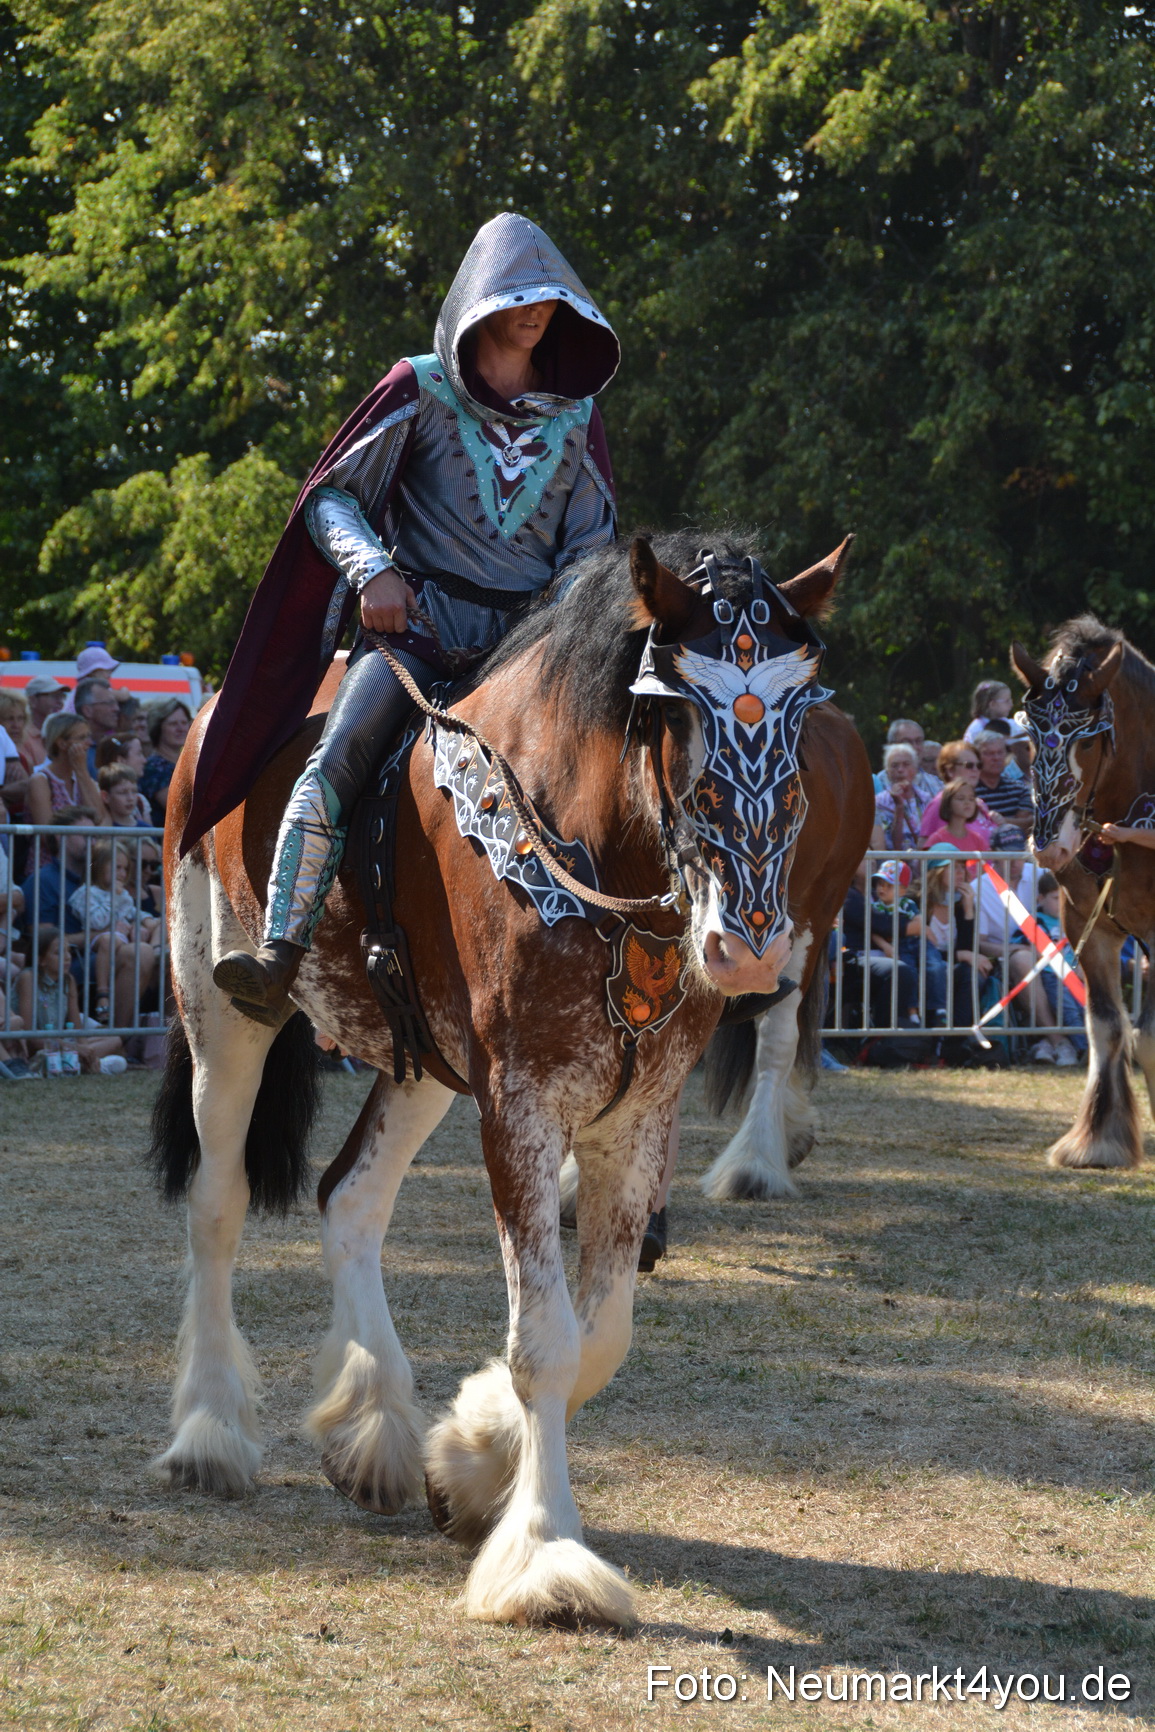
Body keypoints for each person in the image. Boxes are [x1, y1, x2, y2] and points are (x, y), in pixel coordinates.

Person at [200, 212, 621, 1024]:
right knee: (339, 757)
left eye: (549, 297)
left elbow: (591, 554)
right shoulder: (417, 386)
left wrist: (568, 627)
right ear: (477, 300)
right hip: (417, 635)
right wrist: (374, 570)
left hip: (526, 654)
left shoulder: (578, 418)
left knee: (630, 760)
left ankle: (672, 954)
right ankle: (279, 952)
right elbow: (329, 499)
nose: (535, 310)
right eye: (517, 294)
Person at [69, 838, 160, 1027]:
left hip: (122, 940)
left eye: (125, 869)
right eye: (116, 867)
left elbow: (133, 911)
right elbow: (97, 921)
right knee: (109, 939)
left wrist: (146, 920)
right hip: (98, 943)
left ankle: (156, 950)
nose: (122, 873)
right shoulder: (86, 893)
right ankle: (103, 994)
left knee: (158, 923)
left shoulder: (122, 894)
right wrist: (114, 898)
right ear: (100, 866)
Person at [16, 925, 126, 1073]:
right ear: (41, 960)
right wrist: (75, 1048)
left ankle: (83, 1062)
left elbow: (77, 1029)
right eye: (58, 953)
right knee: (110, 1059)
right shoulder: (28, 978)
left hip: (62, 1045)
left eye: (68, 951)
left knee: (115, 1040)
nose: (68, 957)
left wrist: (84, 1048)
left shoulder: (69, 980)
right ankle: (88, 1064)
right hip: (37, 1048)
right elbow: (31, 1037)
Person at [26, 713, 104, 823]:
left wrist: (81, 771)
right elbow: (46, 834)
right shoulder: (40, 781)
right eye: (82, 738)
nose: (89, 743)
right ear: (62, 744)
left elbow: (98, 819)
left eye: (88, 737)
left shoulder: (83, 778)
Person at [140, 699, 192, 825]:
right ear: (158, 728)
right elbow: (180, 808)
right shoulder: (153, 767)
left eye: (184, 723)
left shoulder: (191, 764)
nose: (180, 728)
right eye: (173, 724)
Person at [871, 743, 931, 849]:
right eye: (894, 765)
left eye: (906, 764)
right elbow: (894, 846)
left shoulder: (926, 799)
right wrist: (899, 807)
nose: (900, 770)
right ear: (887, 772)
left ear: (915, 768)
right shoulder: (879, 803)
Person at [973, 731, 1032, 833]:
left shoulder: (1019, 789)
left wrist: (999, 820)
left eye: (1000, 752)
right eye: (989, 753)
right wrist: (1012, 822)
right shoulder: (969, 791)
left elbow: (1028, 824)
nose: (996, 758)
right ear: (977, 757)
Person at [871, 719, 941, 798]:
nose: (914, 747)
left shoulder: (936, 784)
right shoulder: (877, 785)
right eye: (906, 742)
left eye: (918, 741)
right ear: (891, 745)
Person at [923, 778, 992, 853]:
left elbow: (986, 864)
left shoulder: (978, 840)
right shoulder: (938, 839)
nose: (967, 802)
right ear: (948, 803)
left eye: (971, 799)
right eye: (960, 798)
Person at [73, 676, 122, 772]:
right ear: (87, 710)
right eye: (109, 703)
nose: (116, 709)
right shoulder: (76, 752)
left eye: (116, 703)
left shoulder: (113, 745)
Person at [0, 691, 34, 814]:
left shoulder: (24, 759)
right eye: (10, 719)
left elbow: (28, 789)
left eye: (20, 719)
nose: (16, 725)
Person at [22, 674, 66, 766]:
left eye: (62, 696)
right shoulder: (22, 736)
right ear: (33, 700)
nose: (60, 702)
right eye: (54, 696)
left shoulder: (63, 733)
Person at [99, 762, 153, 828]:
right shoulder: (102, 830)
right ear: (106, 796)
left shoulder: (146, 829)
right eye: (122, 793)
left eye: (134, 791)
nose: (130, 798)